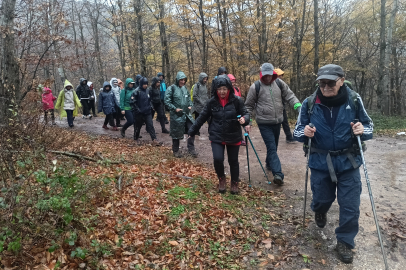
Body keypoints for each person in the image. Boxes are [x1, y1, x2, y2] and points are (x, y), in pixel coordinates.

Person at [294, 64, 373, 264]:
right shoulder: (309, 103)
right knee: (322, 198)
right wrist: (304, 133)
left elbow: (370, 125)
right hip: (320, 161)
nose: (326, 86)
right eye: (322, 83)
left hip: (348, 162)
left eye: (330, 82)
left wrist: (362, 130)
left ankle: (345, 241)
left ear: (341, 80)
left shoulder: (354, 100)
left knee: (350, 205)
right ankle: (320, 210)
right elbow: (297, 130)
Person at [189, 75, 249, 194]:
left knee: (233, 161)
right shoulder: (212, 102)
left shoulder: (237, 101)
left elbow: (246, 114)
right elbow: (202, 117)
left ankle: (234, 182)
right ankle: (221, 178)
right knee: (218, 159)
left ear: (229, 89)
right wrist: (192, 131)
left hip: (233, 134)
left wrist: (244, 119)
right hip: (217, 135)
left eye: (224, 89)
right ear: (216, 90)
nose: (222, 92)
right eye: (219, 89)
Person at [245, 63, 302, 185]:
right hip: (263, 123)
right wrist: (248, 121)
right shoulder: (255, 87)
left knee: (273, 146)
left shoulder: (279, 84)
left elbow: (290, 96)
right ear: (261, 75)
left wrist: (298, 107)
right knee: (271, 147)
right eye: (265, 76)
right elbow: (248, 106)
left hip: (277, 121)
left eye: (269, 75)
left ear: (273, 74)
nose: (267, 78)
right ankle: (278, 174)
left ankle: (269, 163)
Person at [164, 71, 197, 158]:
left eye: (184, 80)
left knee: (192, 129)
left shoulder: (185, 88)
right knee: (176, 133)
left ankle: (191, 149)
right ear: (177, 79)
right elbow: (167, 101)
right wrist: (174, 109)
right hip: (176, 115)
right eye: (181, 80)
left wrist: (190, 105)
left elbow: (189, 99)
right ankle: (175, 150)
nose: (183, 81)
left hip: (186, 114)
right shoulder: (171, 88)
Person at [130, 77, 161, 145]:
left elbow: (149, 100)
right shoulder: (136, 91)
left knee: (150, 125)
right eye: (144, 84)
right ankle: (136, 138)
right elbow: (132, 102)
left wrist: (151, 106)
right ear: (141, 84)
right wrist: (137, 110)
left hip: (147, 112)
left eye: (146, 84)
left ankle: (154, 139)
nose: (146, 85)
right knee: (138, 127)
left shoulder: (147, 91)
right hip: (139, 113)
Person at [274, 68, 295, 143]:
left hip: (281, 106)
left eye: (281, 75)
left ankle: (289, 137)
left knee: (285, 121)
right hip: (272, 108)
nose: (281, 77)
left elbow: (287, 94)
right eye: (279, 75)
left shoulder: (281, 84)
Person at [227, 73, 246, 146]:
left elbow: (240, 98)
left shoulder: (237, 89)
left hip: (237, 110)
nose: (233, 83)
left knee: (239, 124)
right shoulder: (226, 90)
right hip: (230, 110)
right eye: (231, 82)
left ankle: (241, 139)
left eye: (233, 82)